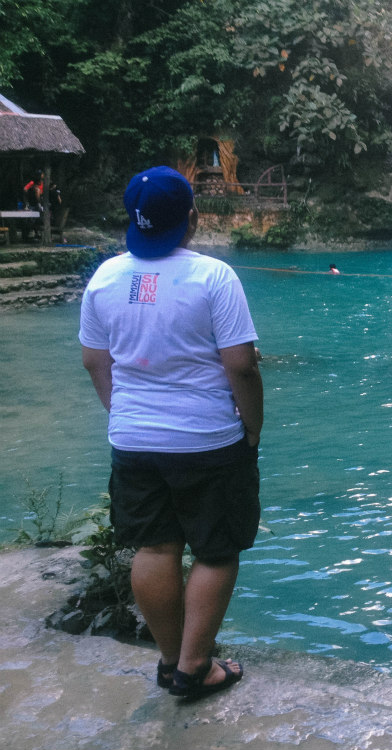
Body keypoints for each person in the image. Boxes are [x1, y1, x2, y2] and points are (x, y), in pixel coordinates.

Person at [79, 166, 262, 701]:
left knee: (154, 547)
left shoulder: (105, 277)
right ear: (193, 218)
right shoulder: (214, 276)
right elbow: (242, 367)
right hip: (207, 439)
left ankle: (168, 663)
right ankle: (194, 667)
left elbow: (94, 361)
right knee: (216, 550)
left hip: (133, 440)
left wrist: (124, 413)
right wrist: (251, 428)